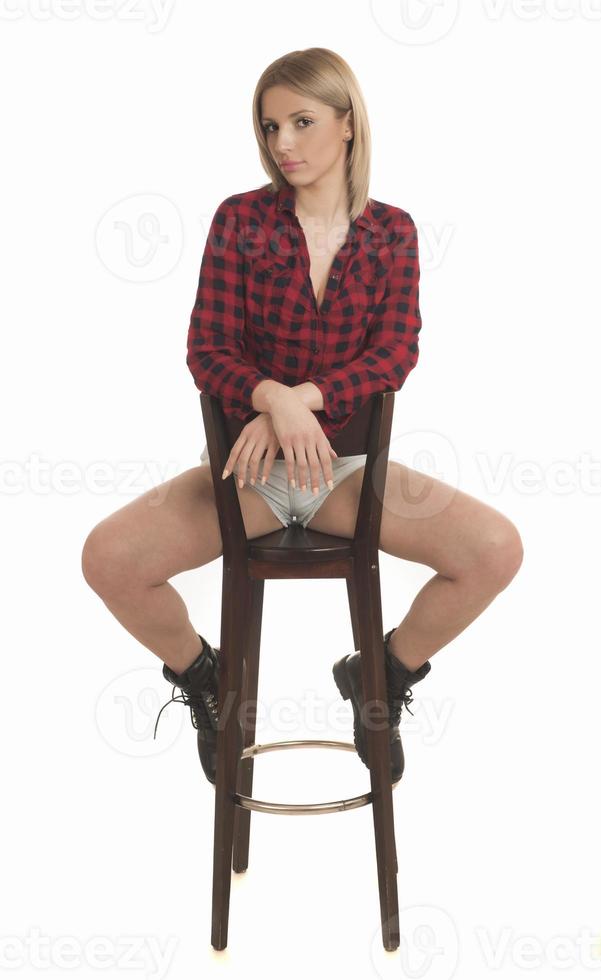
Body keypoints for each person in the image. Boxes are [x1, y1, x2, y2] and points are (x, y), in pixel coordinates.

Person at [81, 47, 523, 786]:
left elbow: (394, 355)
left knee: (494, 550)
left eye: (301, 121)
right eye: (269, 125)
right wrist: (265, 399)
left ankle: (380, 674)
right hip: (245, 475)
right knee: (108, 559)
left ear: (347, 125)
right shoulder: (240, 222)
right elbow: (207, 348)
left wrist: (298, 402)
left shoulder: (391, 232)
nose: (281, 142)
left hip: (347, 473)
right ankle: (205, 679)